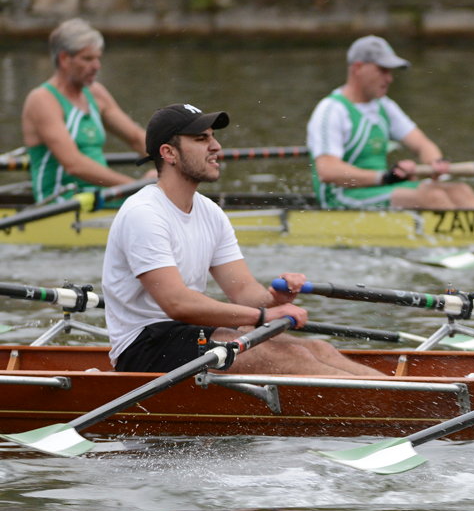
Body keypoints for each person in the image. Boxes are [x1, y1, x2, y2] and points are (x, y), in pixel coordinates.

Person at [103, 103, 382, 377]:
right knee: (290, 357)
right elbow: (177, 303)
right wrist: (262, 318)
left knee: (320, 350)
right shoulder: (143, 213)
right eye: (202, 139)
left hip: (187, 333)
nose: (216, 147)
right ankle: (391, 412)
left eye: (213, 137)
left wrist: (273, 299)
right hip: (145, 348)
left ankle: (401, 403)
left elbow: (245, 292)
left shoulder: (210, 212)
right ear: (169, 153)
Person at [306, 35, 474, 210]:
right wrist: (385, 177)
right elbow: (328, 171)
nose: (389, 78)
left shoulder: (384, 106)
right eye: (382, 70)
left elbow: (422, 145)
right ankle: (463, 239)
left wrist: (436, 162)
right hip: (341, 197)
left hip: (379, 188)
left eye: (390, 72)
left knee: (461, 191)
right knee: (432, 196)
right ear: (358, 68)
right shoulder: (331, 110)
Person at [20, 18, 148, 203]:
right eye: (87, 59)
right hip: (60, 203)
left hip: (100, 197)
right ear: (64, 59)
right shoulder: (43, 100)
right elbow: (74, 164)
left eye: (98, 58)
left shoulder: (96, 94)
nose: (97, 66)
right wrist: (136, 187)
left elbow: (136, 138)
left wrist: (174, 159)